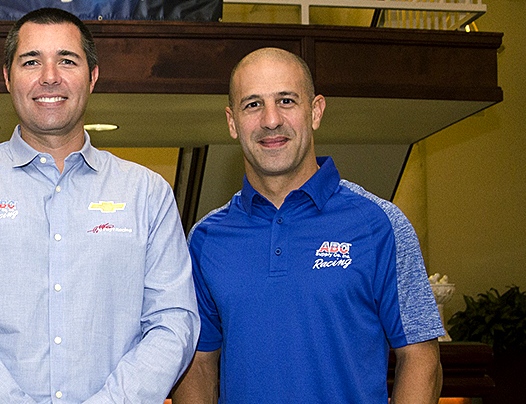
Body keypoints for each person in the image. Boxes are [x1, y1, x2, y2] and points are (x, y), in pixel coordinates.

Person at [0, 7, 199, 403]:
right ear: (8, 78)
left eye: (67, 60)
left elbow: (173, 321)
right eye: (31, 61)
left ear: (92, 77)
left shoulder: (148, 194)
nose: (49, 76)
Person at [173, 47, 444, 404]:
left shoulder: (380, 224)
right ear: (231, 121)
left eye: (286, 101)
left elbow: (421, 360)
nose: (271, 120)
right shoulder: (206, 239)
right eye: (253, 104)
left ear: (315, 111)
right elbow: (199, 365)